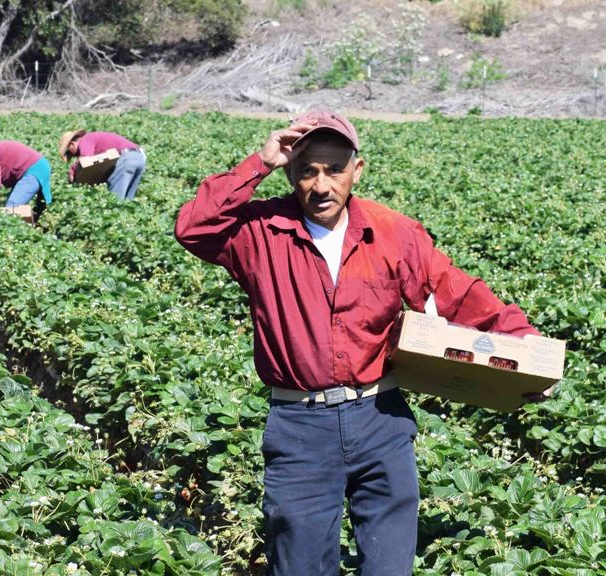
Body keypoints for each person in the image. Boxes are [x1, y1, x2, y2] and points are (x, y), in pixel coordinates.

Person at [174, 109, 548, 575]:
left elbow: (456, 292)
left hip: (380, 418)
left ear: (358, 169)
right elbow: (193, 227)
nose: (322, 185)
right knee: (300, 565)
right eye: (307, 171)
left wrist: (526, 350)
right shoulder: (258, 232)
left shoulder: (393, 233)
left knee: (390, 567)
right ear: (291, 172)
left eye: (335, 169)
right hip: (300, 426)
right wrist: (261, 162)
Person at [59, 130, 146, 200]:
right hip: (140, 157)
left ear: (71, 145)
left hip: (126, 159)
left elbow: (84, 160)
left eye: (70, 153)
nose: (75, 156)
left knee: (115, 200)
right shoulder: (94, 138)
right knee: (128, 200)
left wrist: (73, 171)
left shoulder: (85, 140)